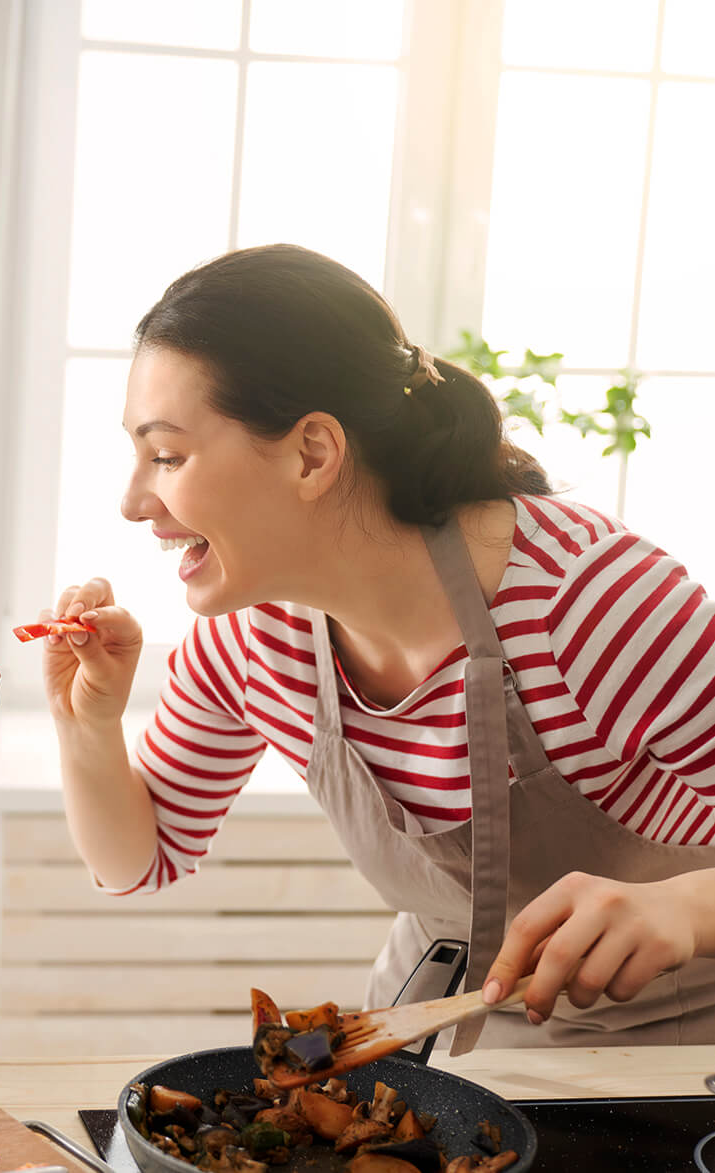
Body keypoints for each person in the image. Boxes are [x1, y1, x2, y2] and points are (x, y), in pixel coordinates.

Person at [38, 243, 715, 1052]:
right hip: (439, 1027)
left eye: (166, 456)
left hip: (674, 1045)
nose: (132, 501)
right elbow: (139, 859)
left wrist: (686, 907)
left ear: (312, 454)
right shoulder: (250, 640)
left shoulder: (593, 607)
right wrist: (87, 721)